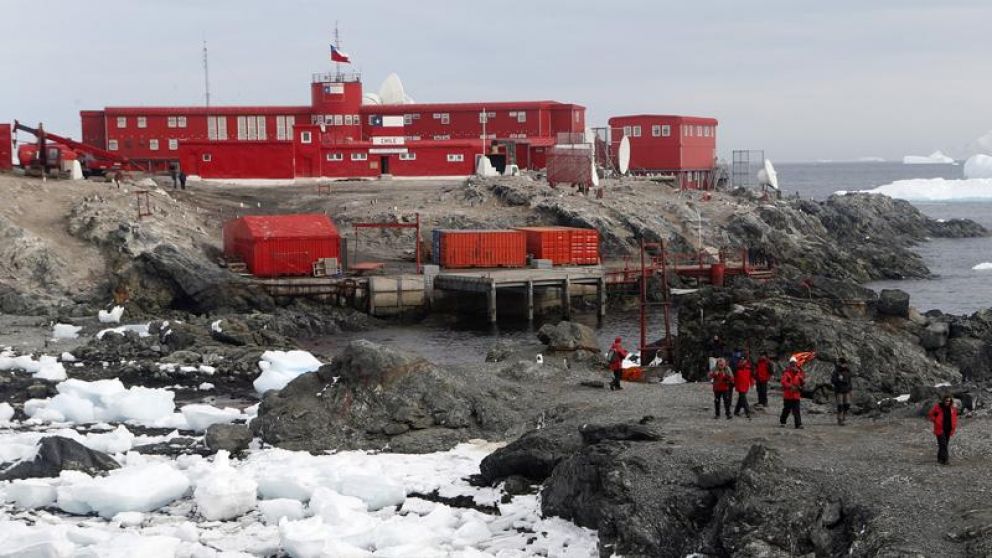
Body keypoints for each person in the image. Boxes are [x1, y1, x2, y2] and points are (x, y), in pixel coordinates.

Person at [927, 394, 959, 465]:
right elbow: (930, 414)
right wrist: (935, 420)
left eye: (949, 401)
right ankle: (946, 460)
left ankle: (940, 459)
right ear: (944, 400)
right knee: (943, 444)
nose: (947, 402)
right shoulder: (938, 407)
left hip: (948, 429)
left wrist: (953, 427)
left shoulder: (952, 409)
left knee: (944, 444)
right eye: (946, 401)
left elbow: (954, 418)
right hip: (940, 429)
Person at [779, 357, 805, 429]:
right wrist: (791, 386)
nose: (794, 365)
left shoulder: (799, 373)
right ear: (790, 364)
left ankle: (798, 424)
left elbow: (802, 382)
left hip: (796, 395)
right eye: (792, 364)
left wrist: (801, 384)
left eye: (794, 364)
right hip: (788, 395)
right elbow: (783, 382)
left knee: (796, 410)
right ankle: (783, 422)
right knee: (786, 410)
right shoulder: (786, 373)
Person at [831, 358, 853, 425]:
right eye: (843, 363)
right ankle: (840, 419)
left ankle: (843, 417)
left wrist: (850, 389)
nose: (845, 365)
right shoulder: (836, 371)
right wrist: (838, 379)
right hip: (839, 390)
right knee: (840, 405)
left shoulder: (848, 371)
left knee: (847, 404)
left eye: (845, 363)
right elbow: (833, 381)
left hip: (846, 390)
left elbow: (849, 381)